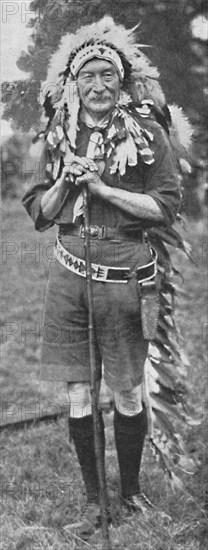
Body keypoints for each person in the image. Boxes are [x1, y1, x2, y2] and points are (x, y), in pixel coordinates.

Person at [22, 17, 181, 536]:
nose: (97, 85)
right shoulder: (57, 135)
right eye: (87, 75)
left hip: (126, 279)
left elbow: (164, 208)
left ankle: (131, 494)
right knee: (77, 394)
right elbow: (41, 213)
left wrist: (106, 190)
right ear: (73, 83)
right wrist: (67, 182)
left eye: (107, 76)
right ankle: (95, 501)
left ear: (123, 82)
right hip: (69, 280)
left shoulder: (149, 133)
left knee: (129, 392)